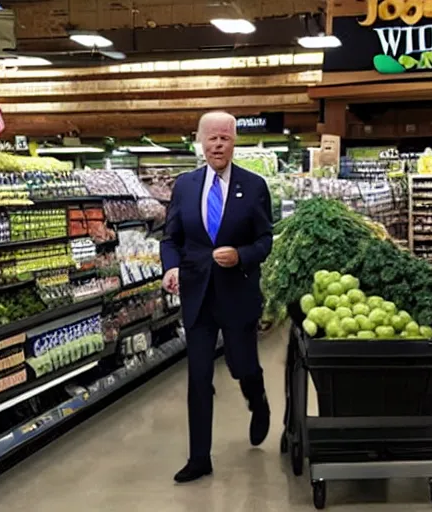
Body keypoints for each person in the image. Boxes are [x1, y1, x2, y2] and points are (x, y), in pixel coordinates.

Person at [161, 111, 273, 483]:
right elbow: (170, 238)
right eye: (212, 138)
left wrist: (241, 254)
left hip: (237, 292)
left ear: (234, 141)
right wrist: (171, 267)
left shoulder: (254, 186)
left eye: (225, 138)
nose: (218, 145)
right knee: (199, 377)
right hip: (197, 294)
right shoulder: (185, 186)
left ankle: (258, 402)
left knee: (242, 366)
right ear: (200, 141)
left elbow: (265, 241)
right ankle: (199, 457)